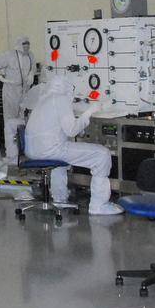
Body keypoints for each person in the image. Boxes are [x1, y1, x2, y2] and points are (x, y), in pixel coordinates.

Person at [23, 71, 122, 216]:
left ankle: (59, 199)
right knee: (102, 154)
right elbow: (72, 131)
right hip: (50, 150)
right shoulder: (60, 99)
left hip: (32, 150)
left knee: (59, 164)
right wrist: (90, 111)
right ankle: (99, 205)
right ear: (66, 87)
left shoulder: (44, 99)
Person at [0, 36, 34, 161]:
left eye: (28, 44)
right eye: (24, 44)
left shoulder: (30, 55)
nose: (26, 46)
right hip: (11, 91)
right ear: (19, 44)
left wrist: (32, 73)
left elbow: (33, 68)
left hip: (24, 91)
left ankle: (21, 150)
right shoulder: (9, 56)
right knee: (10, 121)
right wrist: (0, 77)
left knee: (22, 120)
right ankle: (10, 153)